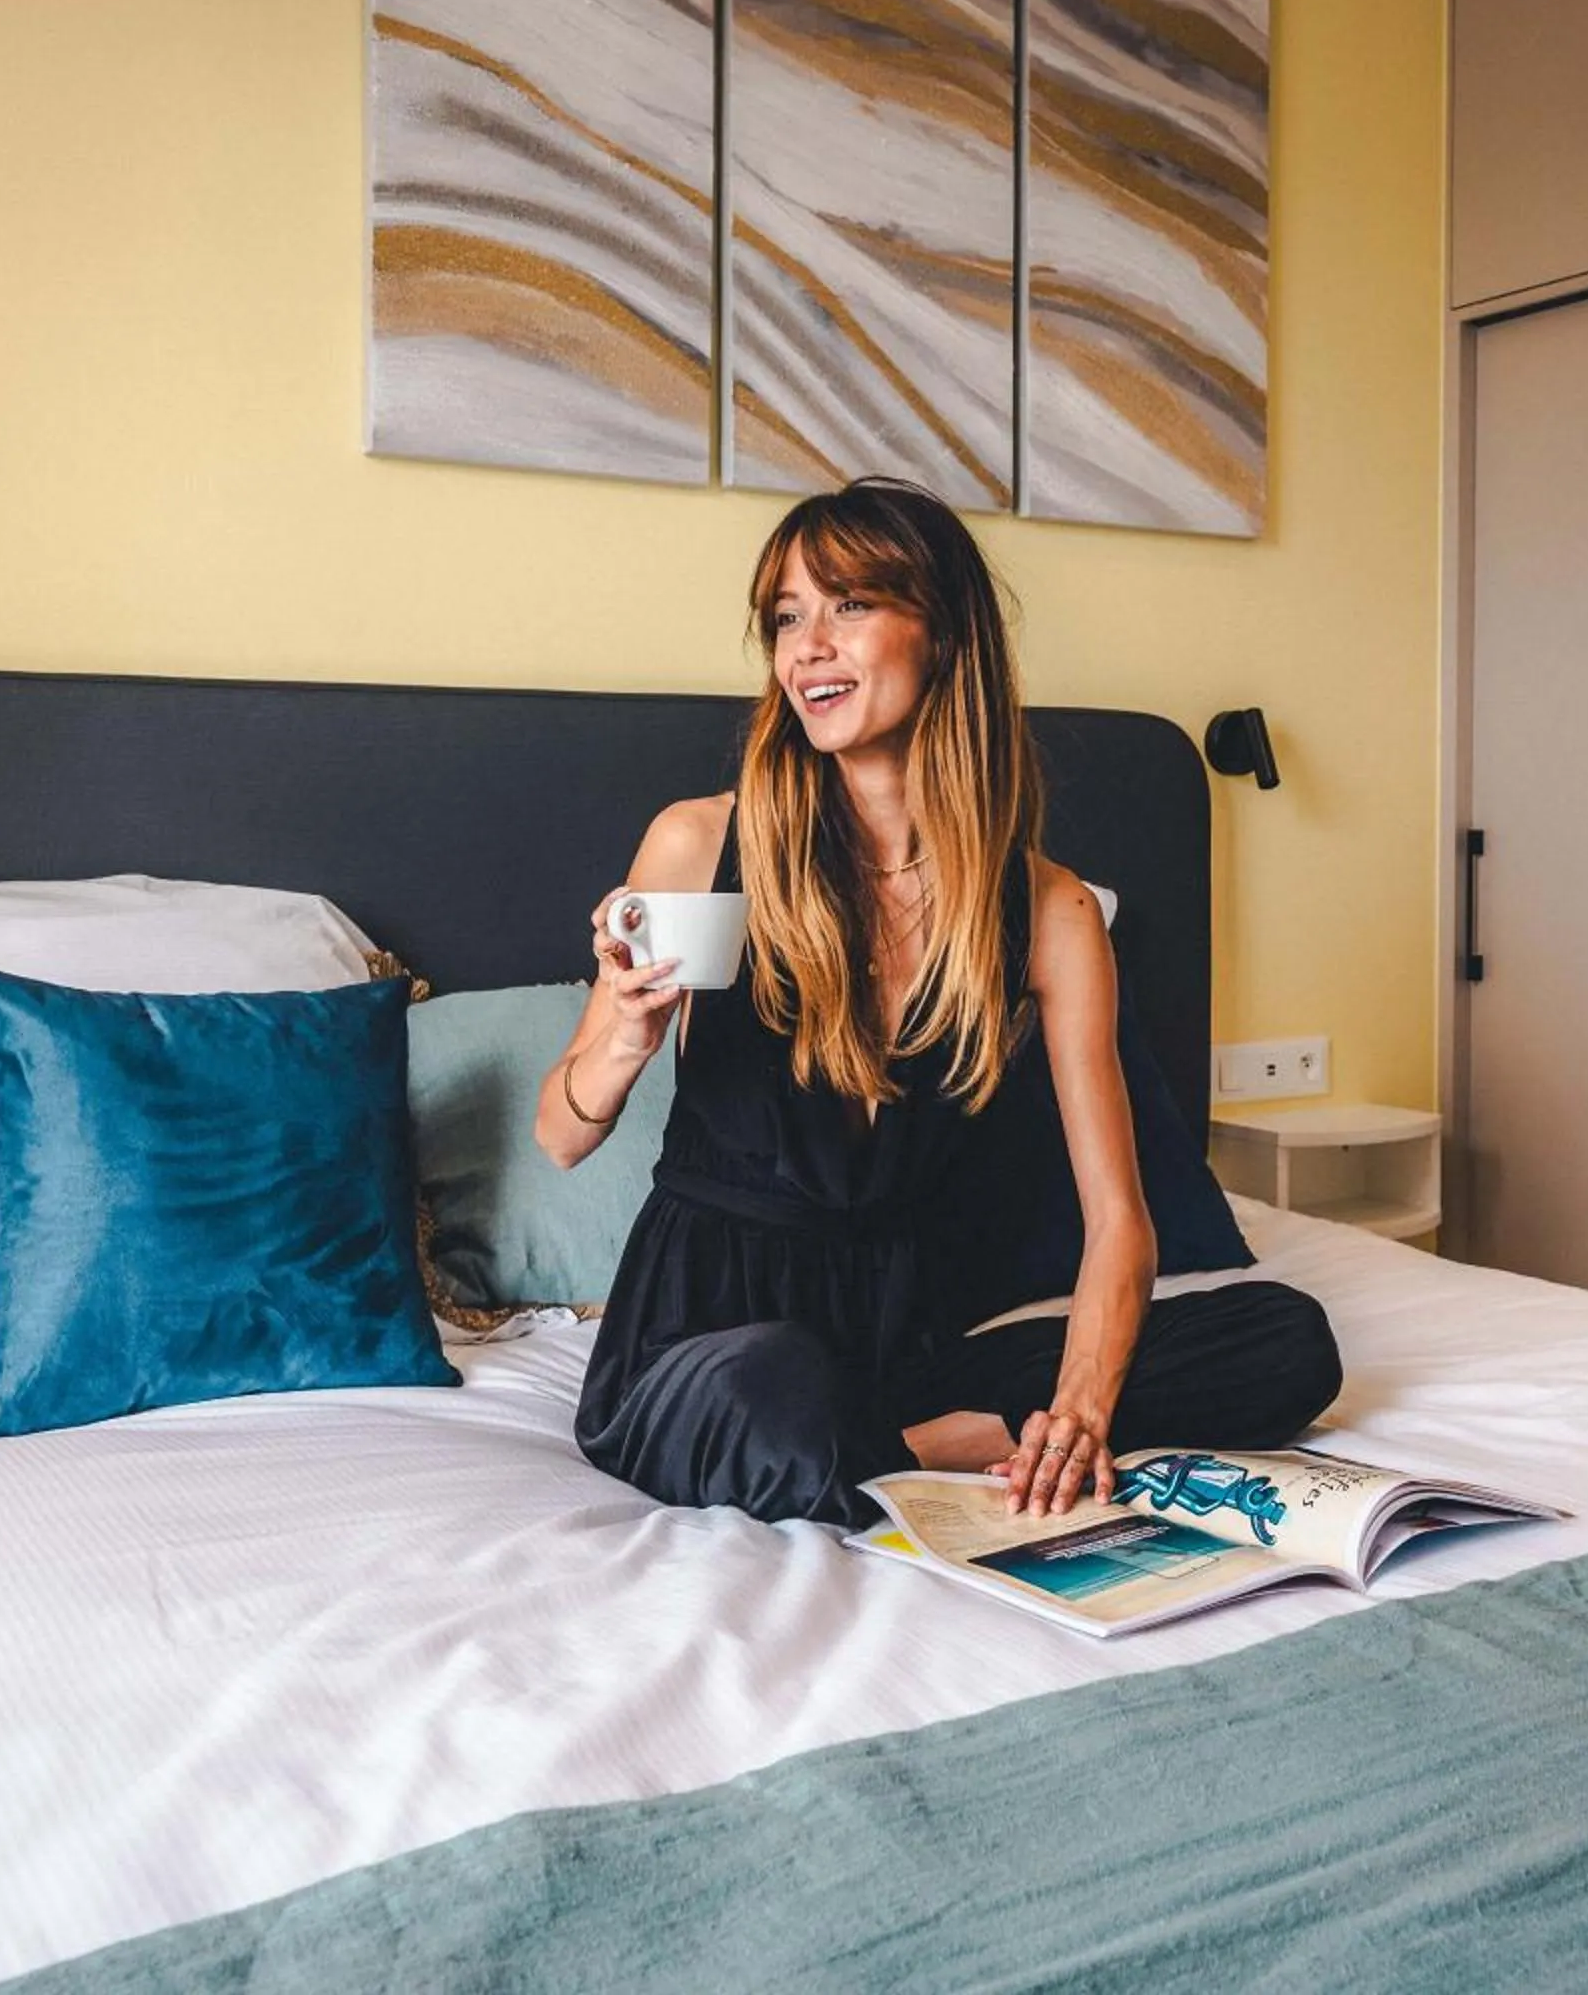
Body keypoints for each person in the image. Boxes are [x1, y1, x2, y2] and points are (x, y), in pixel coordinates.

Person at [536, 478, 1340, 1528]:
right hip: (707, 1342)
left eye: (848, 605)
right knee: (777, 1390)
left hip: (900, 1339)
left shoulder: (1049, 911)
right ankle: (948, 1443)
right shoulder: (703, 843)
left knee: (1285, 1339)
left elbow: (1118, 1223)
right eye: (786, 618)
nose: (808, 648)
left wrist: (1081, 1409)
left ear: (945, 633)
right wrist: (627, 1032)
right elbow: (559, 1136)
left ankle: (922, 1436)